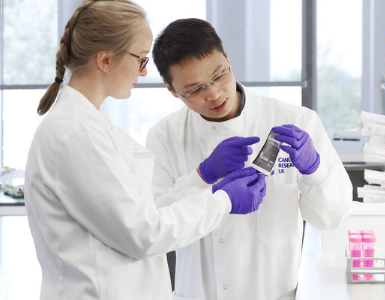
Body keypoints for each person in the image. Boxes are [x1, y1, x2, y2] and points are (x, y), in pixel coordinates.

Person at [24, 2, 266, 299]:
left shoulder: (90, 126)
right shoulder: (74, 134)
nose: (143, 71)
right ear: (105, 60)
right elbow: (144, 234)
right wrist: (223, 201)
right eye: (140, 59)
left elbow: (143, 210)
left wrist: (202, 178)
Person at [147, 18, 353, 300]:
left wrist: (314, 169)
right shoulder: (165, 136)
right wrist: (202, 175)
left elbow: (333, 218)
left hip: (276, 294)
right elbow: (153, 223)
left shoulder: (297, 120)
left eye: (219, 75)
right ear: (172, 90)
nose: (214, 93)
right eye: (195, 90)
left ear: (228, 59)